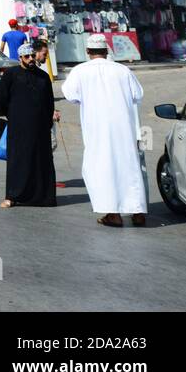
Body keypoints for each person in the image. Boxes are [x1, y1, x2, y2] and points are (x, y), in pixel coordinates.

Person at [61, 34, 148, 227]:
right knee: (130, 166)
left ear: (88, 51)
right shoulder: (123, 70)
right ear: (107, 51)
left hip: (97, 129)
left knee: (102, 167)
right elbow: (138, 95)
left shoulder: (79, 71)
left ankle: (113, 214)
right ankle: (137, 212)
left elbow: (70, 95)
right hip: (124, 128)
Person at [0, 42, 59, 208]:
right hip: (19, 126)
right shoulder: (11, 74)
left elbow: (49, 101)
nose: (31, 59)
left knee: (41, 161)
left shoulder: (43, 76)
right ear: (20, 58)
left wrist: (47, 121)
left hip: (40, 127)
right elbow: (2, 98)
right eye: (27, 56)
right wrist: (13, 115)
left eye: (32, 56)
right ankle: (12, 196)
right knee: (18, 161)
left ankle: (44, 197)